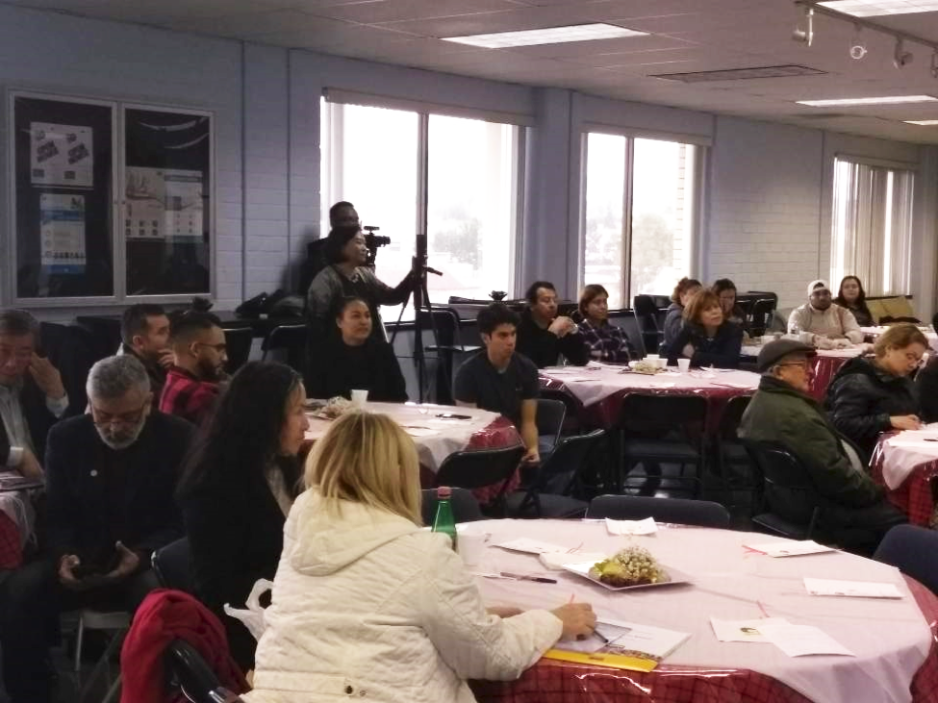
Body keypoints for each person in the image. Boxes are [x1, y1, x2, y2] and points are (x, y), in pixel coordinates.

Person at [244, 411, 596, 703]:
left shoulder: (303, 534)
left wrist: (468, 618)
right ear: (400, 474)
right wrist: (552, 622)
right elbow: (493, 657)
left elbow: (354, 617)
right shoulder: (422, 554)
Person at [0, 355, 193, 703]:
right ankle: (31, 694)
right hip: (82, 559)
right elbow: (57, 515)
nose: (115, 427)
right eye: (103, 416)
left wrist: (142, 554)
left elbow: (184, 521)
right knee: (19, 590)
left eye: (128, 417)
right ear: (90, 403)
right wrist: (64, 556)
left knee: (157, 599)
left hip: (146, 560)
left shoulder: (179, 438)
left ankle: (158, 695)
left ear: (148, 403)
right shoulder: (66, 436)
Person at [178, 361, 310, 671]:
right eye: (298, 412)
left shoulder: (281, 463)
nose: (306, 424)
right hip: (251, 630)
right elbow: (220, 590)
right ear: (266, 418)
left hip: (294, 606)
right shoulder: (213, 486)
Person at [738, 339, 906, 554]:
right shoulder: (796, 416)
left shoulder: (760, 402)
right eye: (802, 366)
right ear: (779, 372)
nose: (811, 371)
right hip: (818, 509)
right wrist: (877, 491)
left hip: (782, 501)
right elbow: (834, 476)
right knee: (903, 516)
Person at [454, 304, 540, 464]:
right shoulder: (468, 373)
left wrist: (532, 448)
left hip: (517, 442)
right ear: (485, 338)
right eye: (503, 335)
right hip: (483, 447)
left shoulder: (527, 368)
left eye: (513, 334)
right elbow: (470, 429)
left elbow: (528, 422)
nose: (510, 341)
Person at [826, 324, 926, 457]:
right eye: (909, 356)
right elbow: (842, 424)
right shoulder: (856, 379)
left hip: (893, 449)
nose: (913, 365)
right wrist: (889, 421)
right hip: (863, 455)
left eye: (918, 360)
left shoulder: (902, 379)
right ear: (889, 349)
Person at [306, 225, 413, 349]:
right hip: (337, 352)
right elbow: (316, 329)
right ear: (341, 245)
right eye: (359, 242)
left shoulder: (365, 274)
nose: (365, 248)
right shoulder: (325, 281)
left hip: (366, 348)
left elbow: (391, 297)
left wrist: (412, 276)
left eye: (365, 243)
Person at [0, 309, 70, 479]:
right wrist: (18, 457)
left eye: (23, 354)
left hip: (42, 485)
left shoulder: (37, 383)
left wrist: (57, 395)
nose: (11, 364)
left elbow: (73, 441)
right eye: (3, 351)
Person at [307, 297, 407, 402]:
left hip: (379, 412)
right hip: (335, 412)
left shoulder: (383, 351)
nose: (364, 321)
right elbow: (313, 396)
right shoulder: (323, 353)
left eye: (367, 316)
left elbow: (399, 395)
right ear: (339, 322)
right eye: (356, 316)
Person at [159, 309, 228, 427]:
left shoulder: (172, 377)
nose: (225, 358)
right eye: (218, 349)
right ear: (195, 349)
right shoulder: (200, 396)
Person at [517, 281, 588, 368]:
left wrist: (573, 331)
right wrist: (552, 332)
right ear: (532, 305)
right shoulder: (518, 325)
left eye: (555, 300)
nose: (552, 304)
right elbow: (533, 364)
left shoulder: (557, 323)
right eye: (546, 301)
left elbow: (581, 360)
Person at [667, 290, 743, 369]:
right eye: (708, 309)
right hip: (696, 375)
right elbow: (671, 357)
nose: (715, 312)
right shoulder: (690, 330)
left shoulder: (733, 330)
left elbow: (730, 362)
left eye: (716, 307)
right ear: (697, 317)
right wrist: (708, 359)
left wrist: (695, 356)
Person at [120, 303, 172, 408]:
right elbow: (171, 405)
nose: (171, 336)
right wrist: (180, 369)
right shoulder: (130, 376)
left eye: (169, 329)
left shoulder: (154, 358)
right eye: (162, 332)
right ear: (139, 342)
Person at [788, 280, 864, 344]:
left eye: (825, 293)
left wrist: (845, 338)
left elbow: (858, 333)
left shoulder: (842, 312)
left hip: (839, 350)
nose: (822, 297)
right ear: (810, 298)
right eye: (817, 294)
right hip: (810, 353)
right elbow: (793, 334)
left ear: (830, 295)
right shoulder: (799, 313)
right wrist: (813, 338)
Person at [577, 284, 634, 363]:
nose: (603, 306)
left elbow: (631, 356)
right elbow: (582, 360)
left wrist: (602, 354)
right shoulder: (579, 332)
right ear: (585, 307)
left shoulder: (618, 331)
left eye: (605, 302)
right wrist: (617, 355)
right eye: (597, 303)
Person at [661, 277, 702, 357]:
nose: (699, 299)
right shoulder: (676, 315)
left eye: (700, 295)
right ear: (682, 296)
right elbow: (681, 342)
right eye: (694, 294)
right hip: (675, 358)